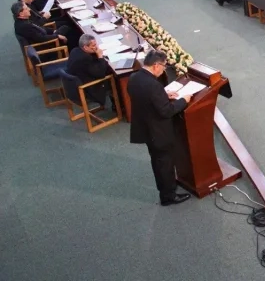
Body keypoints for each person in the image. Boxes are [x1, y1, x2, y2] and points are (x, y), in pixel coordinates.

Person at [127, 50, 193, 206]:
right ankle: (168, 196)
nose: (164, 69)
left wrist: (162, 94)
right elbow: (166, 111)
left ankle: (167, 186)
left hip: (145, 128)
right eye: (164, 66)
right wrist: (183, 100)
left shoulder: (134, 77)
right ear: (156, 65)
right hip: (158, 131)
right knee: (164, 163)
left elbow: (145, 96)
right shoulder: (153, 85)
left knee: (158, 162)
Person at [67, 33, 114, 108]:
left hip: (74, 86)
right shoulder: (85, 59)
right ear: (85, 47)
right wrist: (100, 57)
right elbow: (101, 74)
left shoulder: (75, 50)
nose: (96, 47)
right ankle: (119, 107)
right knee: (115, 78)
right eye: (94, 45)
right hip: (88, 88)